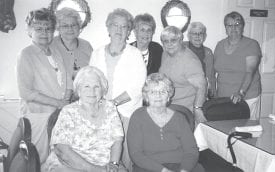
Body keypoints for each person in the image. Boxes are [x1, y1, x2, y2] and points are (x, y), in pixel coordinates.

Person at [89, 8, 147, 171]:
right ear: (108, 27)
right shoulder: (97, 53)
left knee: (125, 154)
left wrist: (113, 104)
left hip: (127, 113)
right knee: (101, 153)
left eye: (124, 27)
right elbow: (91, 81)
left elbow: (137, 87)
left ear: (129, 31)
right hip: (100, 112)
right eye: (115, 25)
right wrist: (100, 105)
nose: (119, 30)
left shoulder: (135, 54)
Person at [43, 66, 126, 172]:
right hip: (71, 165)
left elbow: (117, 141)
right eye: (86, 86)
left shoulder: (110, 108)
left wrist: (113, 164)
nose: (92, 91)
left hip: (106, 164)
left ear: (103, 89)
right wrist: (97, 170)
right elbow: (62, 150)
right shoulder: (68, 111)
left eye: (96, 86)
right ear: (79, 89)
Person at [16, 8, 72, 164]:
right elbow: (26, 92)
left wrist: (66, 99)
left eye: (48, 28)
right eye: (38, 28)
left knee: (56, 158)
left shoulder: (54, 51)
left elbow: (66, 78)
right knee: (38, 158)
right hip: (38, 116)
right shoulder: (26, 54)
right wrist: (59, 103)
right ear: (29, 30)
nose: (44, 32)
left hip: (58, 114)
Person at [127, 73, 204, 172]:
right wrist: (163, 170)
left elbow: (191, 150)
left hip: (181, 165)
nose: (158, 95)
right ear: (146, 96)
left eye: (163, 91)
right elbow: (135, 154)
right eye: (153, 92)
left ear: (169, 95)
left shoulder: (179, 118)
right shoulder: (137, 117)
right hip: (149, 167)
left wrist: (184, 170)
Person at [214, 11, 262, 119]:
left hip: (247, 97)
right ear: (225, 28)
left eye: (237, 24)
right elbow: (214, 70)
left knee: (247, 130)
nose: (233, 28)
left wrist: (241, 93)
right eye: (229, 25)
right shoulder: (220, 45)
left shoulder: (251, 44)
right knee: (226, 129)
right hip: (224, 97)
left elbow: (250, 71)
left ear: (242, 27)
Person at [159, 26, 207, 124]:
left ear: (181, 40)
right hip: (168, 109)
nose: (169, 44)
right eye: (165, 41)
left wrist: (197, 109)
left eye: (173, 40)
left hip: (184, 112)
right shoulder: (165, 54)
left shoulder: (190, 61)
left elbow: (202, 86)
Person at [51, 7, 93, 81]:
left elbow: (93, 72)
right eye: (65, 26)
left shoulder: (86, 46)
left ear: (79, 26)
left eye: (73, 25)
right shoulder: (50, 46)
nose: (70, 29)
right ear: (58, 28)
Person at [185, 22, 215, 98]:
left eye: (200, 33)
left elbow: (211, 76)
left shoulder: (208, 52)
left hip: (202, 93)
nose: (197, 36)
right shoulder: (181, 48)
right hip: (185, 92)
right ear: (188, 36)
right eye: (194, 33)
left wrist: (212, 93)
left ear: (205, 36)